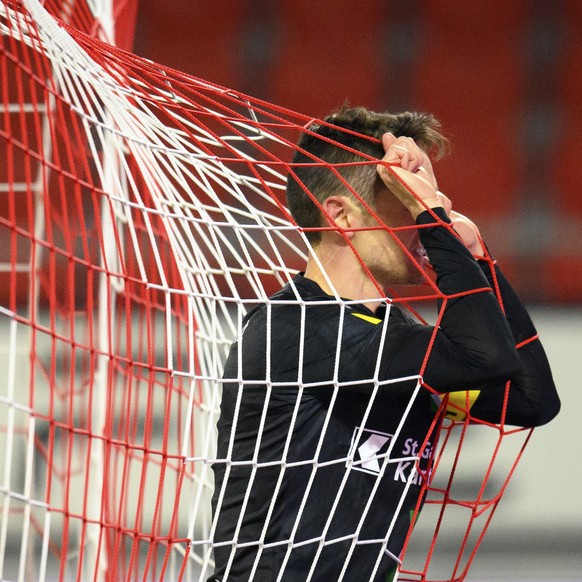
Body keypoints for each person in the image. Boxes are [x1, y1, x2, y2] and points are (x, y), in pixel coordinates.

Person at [209, 106, 560, 582]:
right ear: (342, 216)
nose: (421, 213)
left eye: (423, 197)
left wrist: (476, 258)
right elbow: (483, 356)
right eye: (404, 196)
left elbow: (531, 399)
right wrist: (433, 218)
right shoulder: (297, 329)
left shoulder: (386, 335)